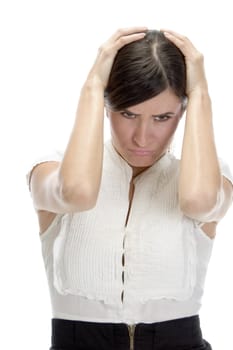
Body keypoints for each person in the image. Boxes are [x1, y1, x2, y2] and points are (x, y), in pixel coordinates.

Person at [27, 27, 233, 350]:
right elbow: (77, 192)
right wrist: (93, 85)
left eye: (162, 116)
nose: (142, 136)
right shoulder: (52, 171)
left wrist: (201, 92)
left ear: (183, 111)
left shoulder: (208, 177)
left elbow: (198, 200)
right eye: (128, 113)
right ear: (107, 106)